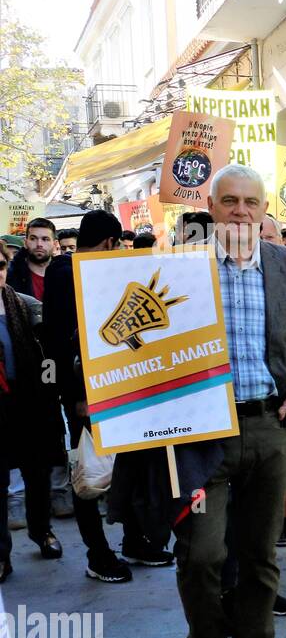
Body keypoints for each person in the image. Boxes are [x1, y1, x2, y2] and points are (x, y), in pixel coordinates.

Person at [171, 164, 286, 638]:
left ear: (262, 210)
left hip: (269, 428)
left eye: (250, 202)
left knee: (260, 553)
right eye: (229, 201)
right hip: (201, 433)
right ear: (211, 208)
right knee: (202, 553)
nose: (239, 211)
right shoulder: (178, 269)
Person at [46, 212, 149, 582]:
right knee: (89, 472)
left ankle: (134, 540)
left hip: (118, 385)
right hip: (85, 395)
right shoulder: (66, 275)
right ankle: (98, 554)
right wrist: (75, 396)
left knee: (128, 465)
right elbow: (59, 341)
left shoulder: (100, 272)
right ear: (108, 243)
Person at [0, 245, 65, 578]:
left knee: (37, 475)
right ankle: (1, 553)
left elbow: (50, 354)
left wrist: (49, 386)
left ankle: (42, 532)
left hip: (28, 404)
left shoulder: (25, 306)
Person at [9, 217, 59, 300]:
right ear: (25, 242)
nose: (39, 244)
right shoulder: (11, 274)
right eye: (33, 239)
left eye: (45, 239)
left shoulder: (66, 273)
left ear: (55, 244)